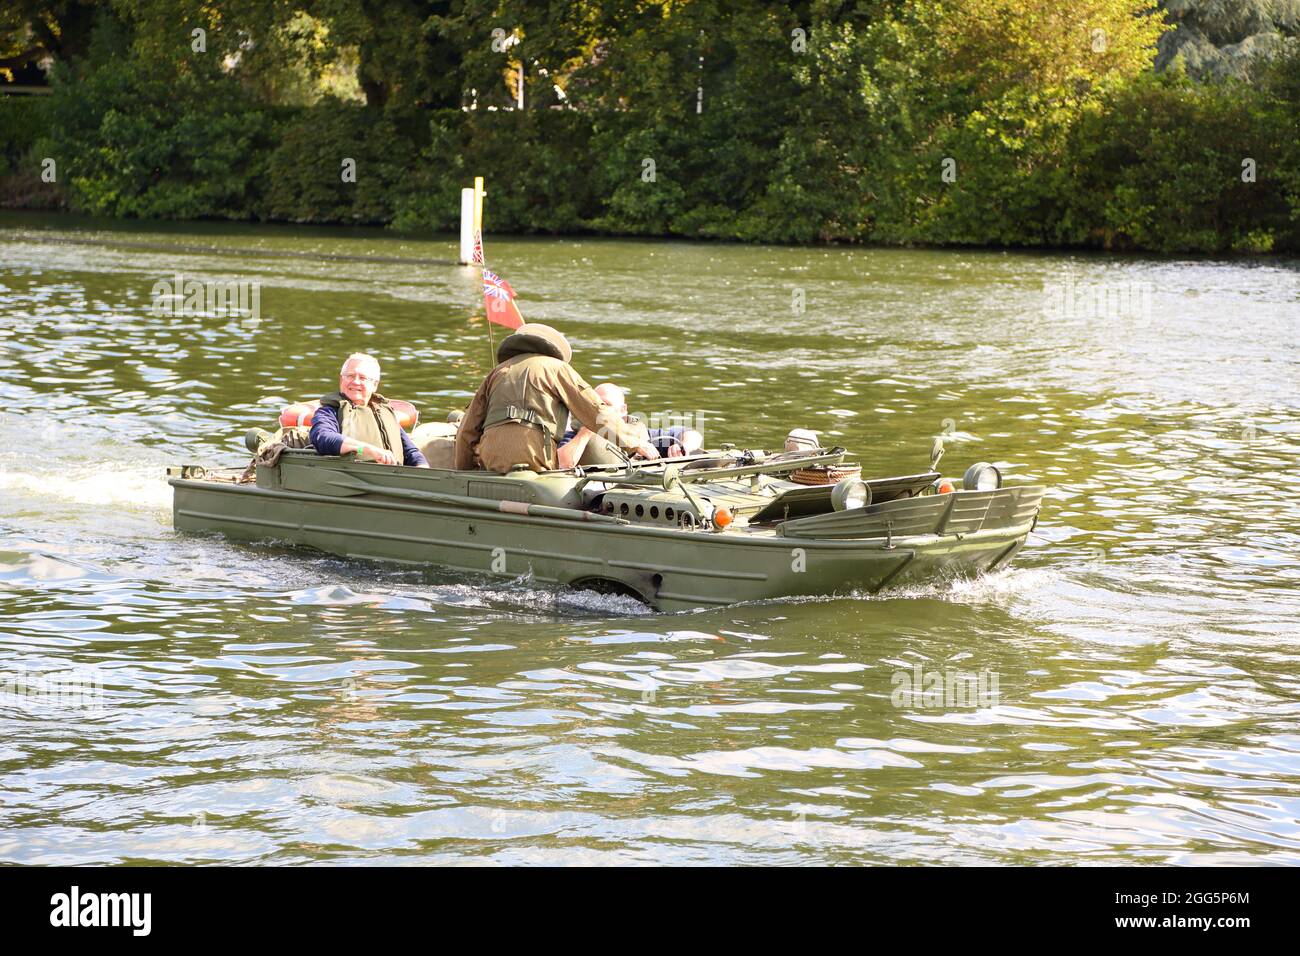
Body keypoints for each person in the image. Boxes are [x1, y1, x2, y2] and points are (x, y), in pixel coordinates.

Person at [454, 323, 659, 472]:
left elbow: (467, 428)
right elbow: (595, 409)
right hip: (535, 458)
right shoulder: (557, 368)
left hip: (492, 460)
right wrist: (634, 442)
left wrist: (465, 471)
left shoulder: (497, 373)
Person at [310, 353, 429, 467]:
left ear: (374, 385)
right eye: (350, 376)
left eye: (362, 378)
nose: (356, 382)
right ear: (341, 380)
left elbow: (411, 452)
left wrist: (422, 466)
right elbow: (323, 438)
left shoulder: (384, 412)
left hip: (395, 478)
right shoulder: (330, 411)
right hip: (356, 478)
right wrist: (366, 449)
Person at [557, 382, 703, 469]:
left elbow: (692, 434)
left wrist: (683, 447)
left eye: (606, 405)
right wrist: (586, 432)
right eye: (596, 405)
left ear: (623, 410)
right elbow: (562, 463)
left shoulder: (636, 430)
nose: (600, 409)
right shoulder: (577, 433)